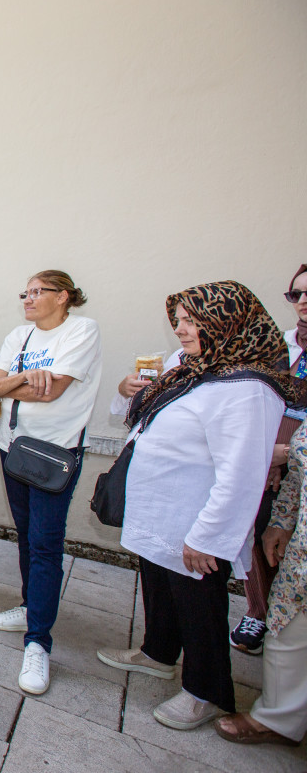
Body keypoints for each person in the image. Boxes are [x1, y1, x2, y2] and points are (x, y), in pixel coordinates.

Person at [96, 281, 300, 730]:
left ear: (226, 323)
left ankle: (206, 691)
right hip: (160, 507)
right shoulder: (191, 367)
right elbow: (140, 414)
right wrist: (128, 388)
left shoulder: (248, 386)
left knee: (198, 599)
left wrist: (209, 536)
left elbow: (242, 474)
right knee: (158, 581)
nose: (182, 330)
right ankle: (157, 652)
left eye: (193, 321)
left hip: (195, 516)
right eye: (180, 321)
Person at [0, 270, 101, 696]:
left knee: (47, 543)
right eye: (25, 292)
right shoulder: (21, 336)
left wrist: (7, 385)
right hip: (14, 447)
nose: (28, 299)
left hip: (56, 452)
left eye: (37, 292)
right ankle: (32, 608)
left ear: (63, 296)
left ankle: (39, 644)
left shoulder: (81, 331)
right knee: (27, 538)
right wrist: (20, 380)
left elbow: (53, 392)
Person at [225, 264, 307, 655]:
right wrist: (266, 454)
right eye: (296, 295)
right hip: (264, 458)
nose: (303, 302)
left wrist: (288, 453)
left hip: (297, 459)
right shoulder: (280, 346)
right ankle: (260, 611)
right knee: (257, 533)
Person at [215, 418, 307, 746]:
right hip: (301, 553)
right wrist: (282, 520)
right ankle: (278, 719)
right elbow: (299, 468)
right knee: (288, 626)